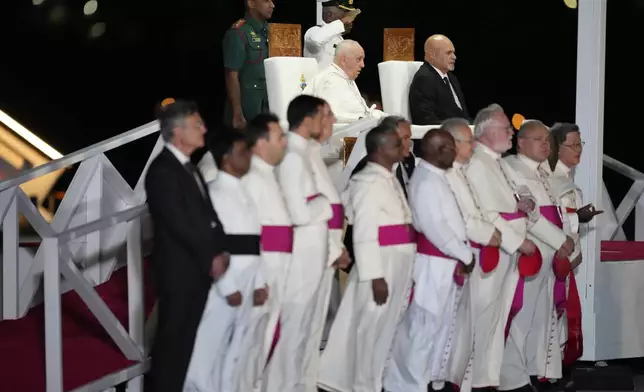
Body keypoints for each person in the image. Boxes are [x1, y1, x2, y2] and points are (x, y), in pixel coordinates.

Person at [318, 123, 416, 392]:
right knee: (369, 329)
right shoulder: (368, 181)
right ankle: (362, 385)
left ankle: (372, 382)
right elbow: (364, 232)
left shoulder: (388, 177)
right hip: (380, 264)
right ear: (381, 148)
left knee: (383, 329)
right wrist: (375, 276)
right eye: (397, 143)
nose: (403, 147)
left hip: (395, 263)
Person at [144, 99, 230, 392]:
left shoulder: (187, 167)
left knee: (188, 348)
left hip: (196, 271)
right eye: (197, 125)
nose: (204, 129)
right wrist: (211, 255)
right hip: (179, 273)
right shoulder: (162, 171)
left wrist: (221, 248)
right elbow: (178, 222)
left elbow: (208, 216)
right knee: (172, 350)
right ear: (178, 132)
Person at [384, 129, 474, 392]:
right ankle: (409, 385)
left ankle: (429, 380)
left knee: (439, 326)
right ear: (431, 150)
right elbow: (436, 227)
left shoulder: (436, 177)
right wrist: (464, 254)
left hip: (445, 262)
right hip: (433, 263)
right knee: (423, 326)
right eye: (446, 147)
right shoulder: (426, 181)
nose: (453, 151)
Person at [462, 104, 539, 390]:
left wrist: (525, 206)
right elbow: (486, 213)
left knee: (496, 320)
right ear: (487, 131)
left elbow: (516, 200)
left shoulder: (496, 162)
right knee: (482, 319)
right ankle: (473, 380)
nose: (511, 132)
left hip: (508, 252)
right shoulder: (477, 164)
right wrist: (519, 242)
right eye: (506, 128)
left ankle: (488, 379)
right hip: (491, 253)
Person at [184, 130, 264, 392]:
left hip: (247, 281)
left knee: (235, 352)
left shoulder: (245, 192)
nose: (250, 156)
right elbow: (211, 245)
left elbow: (255, 243)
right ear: (227, 158)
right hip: (222, 288)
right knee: (206, 351)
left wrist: (259, 282)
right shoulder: (214, 193)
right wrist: (228, 287)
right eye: (244, 151)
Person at [264, 95, 333, 392]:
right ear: (307, 118)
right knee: (294, 325)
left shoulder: (304, 152)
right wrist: (325, 206)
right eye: (322, 115)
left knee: (306, 327)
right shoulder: (292, 155)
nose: (326, 121)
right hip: (301, 251)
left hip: (313, 250)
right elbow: (298, 211)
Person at [501, 120, 577, 390]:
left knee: (541, 317)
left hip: (549, 253)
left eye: (548, 140)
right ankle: (512, 379)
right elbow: (529, 215)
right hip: (529, 250)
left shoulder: (544, 171)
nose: (546, 144)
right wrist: (560, 240)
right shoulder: (511, 168)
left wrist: (564, 243)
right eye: (538, 139)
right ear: (520, 143)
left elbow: (556, 211)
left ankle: (533, 373)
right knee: (520, 317)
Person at [441, 118, 502, 392]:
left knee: (465, 328)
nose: (474, 145)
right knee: (453, 328)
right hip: (453, 259)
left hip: (469, 255)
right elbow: (461, 219)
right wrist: (488, 232)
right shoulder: (445, 175)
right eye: (469, 141)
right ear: (453, 144)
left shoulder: (460, 171)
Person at [241, 114, 292, 384]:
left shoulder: (267, 175)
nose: (285, 142)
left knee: (272, 336)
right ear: (261, 143)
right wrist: (258, 279)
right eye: (279, 137)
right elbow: (247, 233)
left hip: (277, 267)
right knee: (257, 341)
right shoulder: (250, 178)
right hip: (264, 270)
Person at [547, 123, 601, 369]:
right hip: (555, 260)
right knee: (554, 319)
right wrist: (577, 217)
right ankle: (547, 375)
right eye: (574, 144)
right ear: (558, 148)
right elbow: (553, 221)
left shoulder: (566, 178)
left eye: (581, 144)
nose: (579, 149)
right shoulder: (552, 181)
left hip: (568, 261)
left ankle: (556, 372)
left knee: (562, 320)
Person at [306, 99, 351, 361]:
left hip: (330, 243)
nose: (333, 121)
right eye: (328, 116)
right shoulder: (299, 154)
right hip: (313, 246)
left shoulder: (319, 150)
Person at [343, 116, 415, 268]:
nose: (409, 143)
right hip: (376, 259)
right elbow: (364, 228)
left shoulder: (406, 163)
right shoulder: (366, 174)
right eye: (404, 138)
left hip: (399, 256)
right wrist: (373, 274)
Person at [302, 40, 386, 123]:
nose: (362, 65)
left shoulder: (344, 78)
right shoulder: (331, 80)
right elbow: (338, 116)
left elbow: (362, 112)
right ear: (343, 60)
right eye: (359, 59)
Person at [222, 0, 275, 129]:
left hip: (269, 108)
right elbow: (231, 75)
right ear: (251, 3)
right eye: (266, 1)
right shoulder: (239, 32)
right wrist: (237, 111)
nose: (272, 5)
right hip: (248, 110)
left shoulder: (273, 32)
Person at [409, 35, 470, 125]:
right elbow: (426, 120)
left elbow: (462, 114)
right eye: (448, 53)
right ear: (432, 55)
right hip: (444, 135)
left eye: (453, 53)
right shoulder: (424, 79)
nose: (454, 57)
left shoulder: (451, 77)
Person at [305, 0, 360, 70]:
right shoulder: (313, 31)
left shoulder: (339, 39)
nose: (350, 21)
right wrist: (342, 22)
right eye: (346, 17)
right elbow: (316, 41)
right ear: (330, 15)